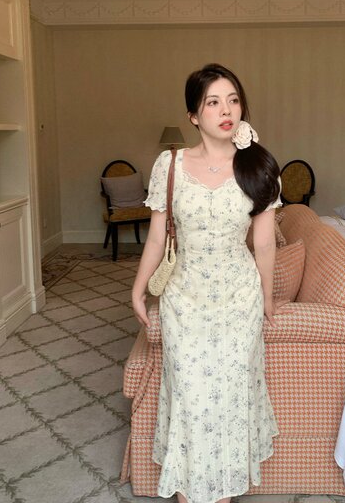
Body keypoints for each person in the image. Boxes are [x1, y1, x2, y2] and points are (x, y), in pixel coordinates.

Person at [131, 63, 281, 503]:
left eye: (233, 100)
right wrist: (138, 288)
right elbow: (157, 237)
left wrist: (267, 299)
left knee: (230, 402)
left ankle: (223, 494)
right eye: (213, 102)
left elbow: (264, 243)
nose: (226, 110)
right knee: (192, 400)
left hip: (239, 300)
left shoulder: (260, 167)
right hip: (185, 301)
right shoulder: (170, 164)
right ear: (194, 116)